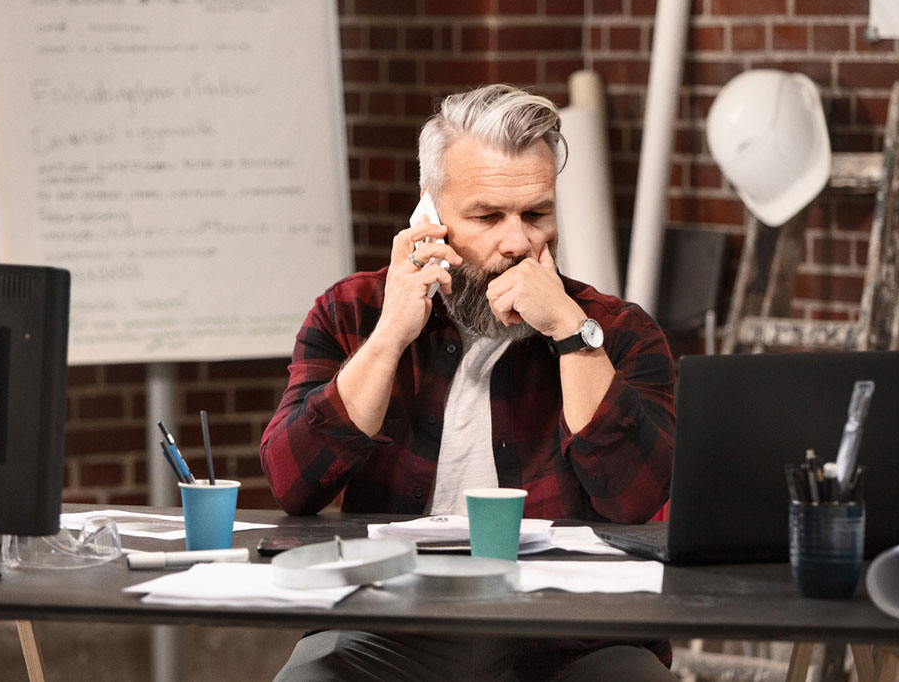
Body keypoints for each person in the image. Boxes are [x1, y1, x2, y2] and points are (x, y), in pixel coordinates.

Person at [260, 84, 677, 682]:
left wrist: (567, 329)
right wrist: (389, 337)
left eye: (536, 215)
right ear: (429, 218)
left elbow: (637, 504)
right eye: (487, 217)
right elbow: (291, 484)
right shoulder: (350, 313)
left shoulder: (617, 331)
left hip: (573, 632)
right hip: (395, 625)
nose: (518, 243)